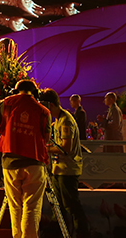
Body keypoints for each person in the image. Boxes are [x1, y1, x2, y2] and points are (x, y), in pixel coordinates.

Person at [0, 79, 51, 238]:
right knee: (32, 207)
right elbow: (46, 137)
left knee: (15, 206)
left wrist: (10, 129)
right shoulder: (44, 111)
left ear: (15, 91)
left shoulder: (4, 104)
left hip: (11, 161)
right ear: (35, 93)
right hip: (34, 162)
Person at [40, 88, 88, 237]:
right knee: (58, 207)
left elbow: (66, 148)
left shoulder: (66, 120)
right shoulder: (58, 120)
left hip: (67, 170)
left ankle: (82, 233)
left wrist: (45, 149)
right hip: (58, 169)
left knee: (71, 205)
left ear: (50, 105)